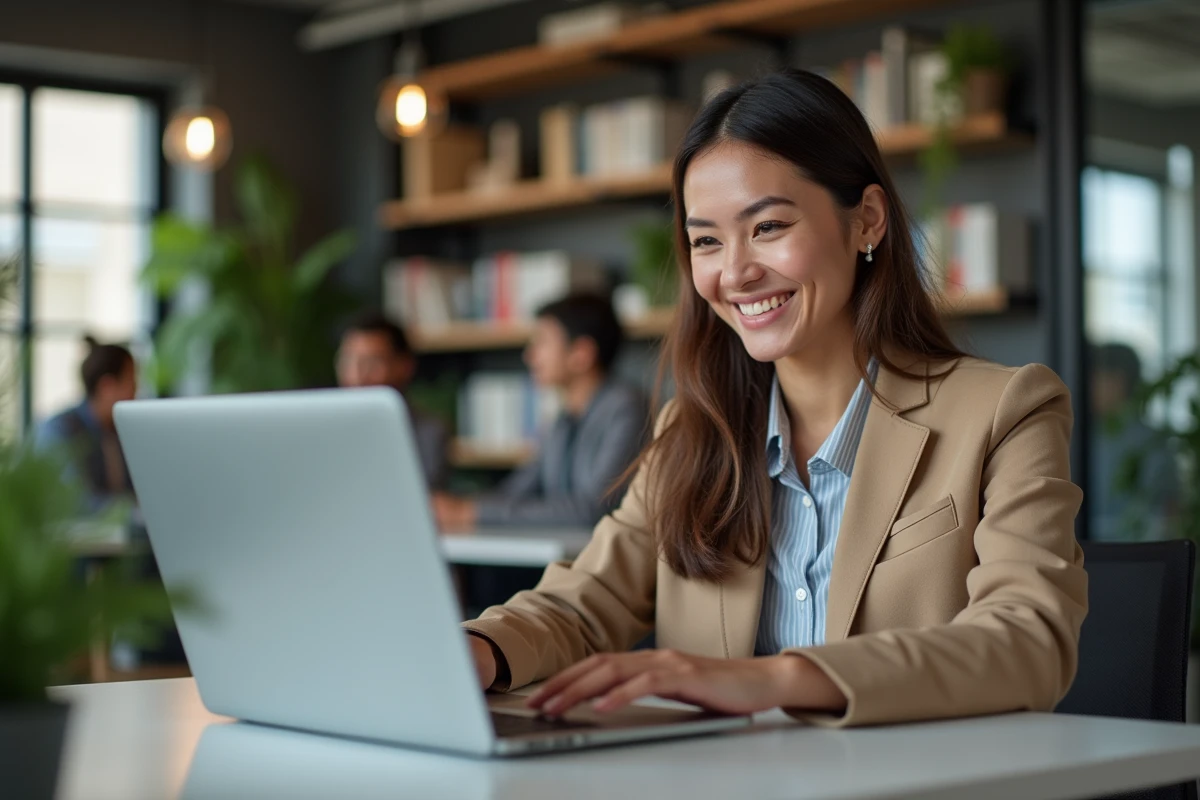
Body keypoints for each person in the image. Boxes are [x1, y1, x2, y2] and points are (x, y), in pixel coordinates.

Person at [459, 69, 1088, 727]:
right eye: (706, 241)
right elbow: (584, 602)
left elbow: (1029, 641)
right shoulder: (691, 434)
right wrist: (475, 651)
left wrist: (774, 679)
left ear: (866, 221)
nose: (734, 272)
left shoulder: (1004, 411)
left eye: (768, 227)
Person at [433, 294, 649, 529]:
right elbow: (517, 490)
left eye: (542, 342)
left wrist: (474, 513)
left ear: (581, 353)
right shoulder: (564, 419)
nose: (530, 356)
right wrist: (458, 507)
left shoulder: (627, 408)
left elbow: (592, 510)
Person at [337, 312, 449, 489]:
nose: (357, 375)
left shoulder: (428, 432)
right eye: (348, 360)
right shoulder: (327, 427)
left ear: (404, 367)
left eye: (371, 362)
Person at [1088, 342, 1178, 540]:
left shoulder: (1149, 442)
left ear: (1116, 382)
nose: (1086, 387)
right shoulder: (1088, 435)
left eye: (1093, 377)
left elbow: (1169, 514)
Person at [36, 336, 138, 511]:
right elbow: (75, 500)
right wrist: (133, 509)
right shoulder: (60, 430)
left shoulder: (123, 431)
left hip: (120, 533)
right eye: (131, 382)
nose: (136, 392)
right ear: (107, 387)